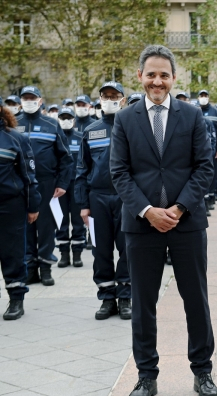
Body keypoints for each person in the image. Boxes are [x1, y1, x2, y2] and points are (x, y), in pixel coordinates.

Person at [110, 45, 217, 396]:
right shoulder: (125, 119)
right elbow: (119, 172)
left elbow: (205, 167)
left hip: (186, 224)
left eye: (164, 75)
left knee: (196, 299)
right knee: (143, 302)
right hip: (140, 226)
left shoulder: (192, 117)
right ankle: (146, 376)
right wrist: (147, 210)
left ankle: (202, 371)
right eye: (151, 74)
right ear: (139, 77)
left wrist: (179, 208)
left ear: (174, 78)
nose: (158, 81)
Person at [76, 81, 131, 320]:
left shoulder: (132, 127)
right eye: (105, 96)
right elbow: (82, 168)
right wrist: (83, 204)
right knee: (101, 250)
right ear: (99, 99)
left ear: (123, 99)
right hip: (98, 198)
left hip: (126, 198)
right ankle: (107, 298)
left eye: (114, 96)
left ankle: (126, 297)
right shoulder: (91, 130)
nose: (109, 100)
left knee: (127, 249)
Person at [17, 86, 72, 286]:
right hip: (20, 185)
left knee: (46, 227)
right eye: (25, 98)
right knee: (26, 228)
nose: (29, 101)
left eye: (33, 98)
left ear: (40, 101)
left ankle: (46, 267)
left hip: (46, 184)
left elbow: (66, 157)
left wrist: (62, 183)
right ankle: (30, 268)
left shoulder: (51, 124)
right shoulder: (13, 124)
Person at [0, 96, 40, 320]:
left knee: (12, 253)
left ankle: (16, 298)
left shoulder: (15, 138)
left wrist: (32, 205)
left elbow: (29, 176)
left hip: (9, 205)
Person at [56, 108, 85, 268]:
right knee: (60, 221)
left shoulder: (80, 137)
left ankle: (77, 253)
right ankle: (64, 254)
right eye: (63, 117)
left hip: (76, 185)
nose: (66, 120)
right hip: (60, 186)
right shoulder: (56, 137)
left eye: (69, 118)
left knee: (78, 220)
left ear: (74, 120)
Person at [198, 89, 217, 208]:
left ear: (208, 97)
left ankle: (210, 198)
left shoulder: (216, 112)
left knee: (211, 174)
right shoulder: (195, 111)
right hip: (197, 150)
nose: (203, 97)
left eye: (205, 95)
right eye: (201, 95)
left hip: (212, 150)